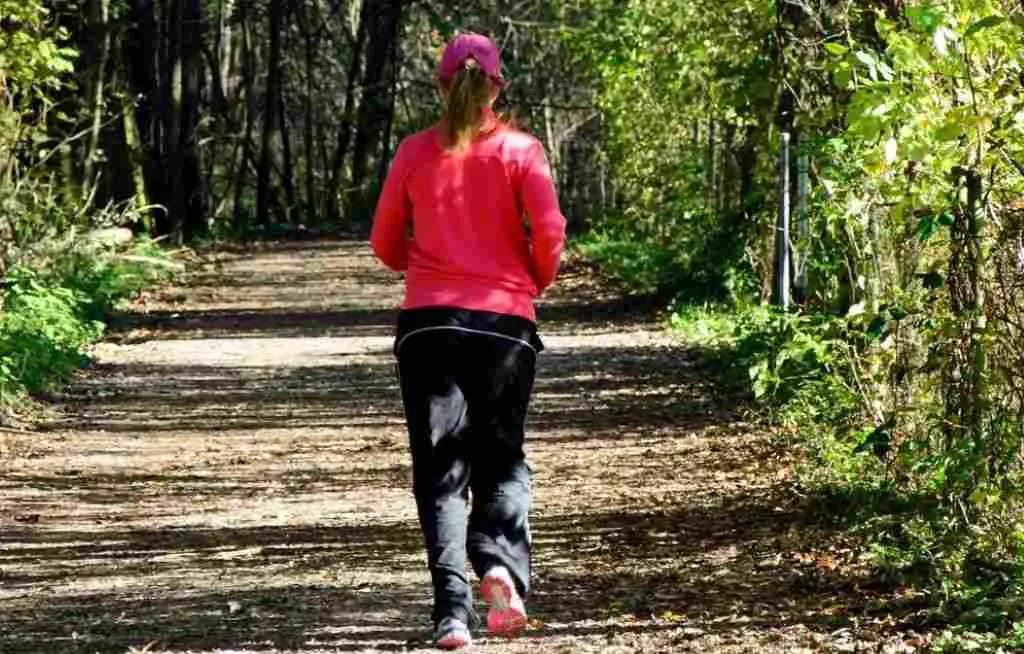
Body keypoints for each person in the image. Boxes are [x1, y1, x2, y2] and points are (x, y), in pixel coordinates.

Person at [370, 32, 567, 651]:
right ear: (496, 86)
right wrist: (531, 280)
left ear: (442, 84)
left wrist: (424, 269)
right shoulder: (521, 149)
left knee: (441, 473)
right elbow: (551, 231)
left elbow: (384, 243)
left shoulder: (412, 153)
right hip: (505, 325)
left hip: (430, 327)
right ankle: (502, 571)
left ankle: (452, 614)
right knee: (502, 457)